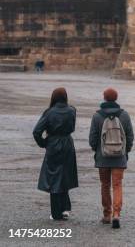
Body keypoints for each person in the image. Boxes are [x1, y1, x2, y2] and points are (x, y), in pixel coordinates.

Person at [89, 87, 134, 229]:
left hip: (102, 157)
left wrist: (97, 150)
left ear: (104, 98)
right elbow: (130, 136)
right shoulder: (124, 115)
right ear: (116, 98)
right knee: (117, 185)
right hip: (119, 157)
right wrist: (125, 151)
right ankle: (116, 214)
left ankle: (107, 215)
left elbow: (92, 138)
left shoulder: (97, 116)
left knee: (105, 185)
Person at [33, 87, 78, 221]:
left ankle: (56, 212)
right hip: (67, 144)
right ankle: (65, 208)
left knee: (53, 177)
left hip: (53, 144)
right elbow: (72, 127)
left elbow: (36, 131)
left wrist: (44, 143)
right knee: (65, 175)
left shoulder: (49, 112)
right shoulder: (72, 110)